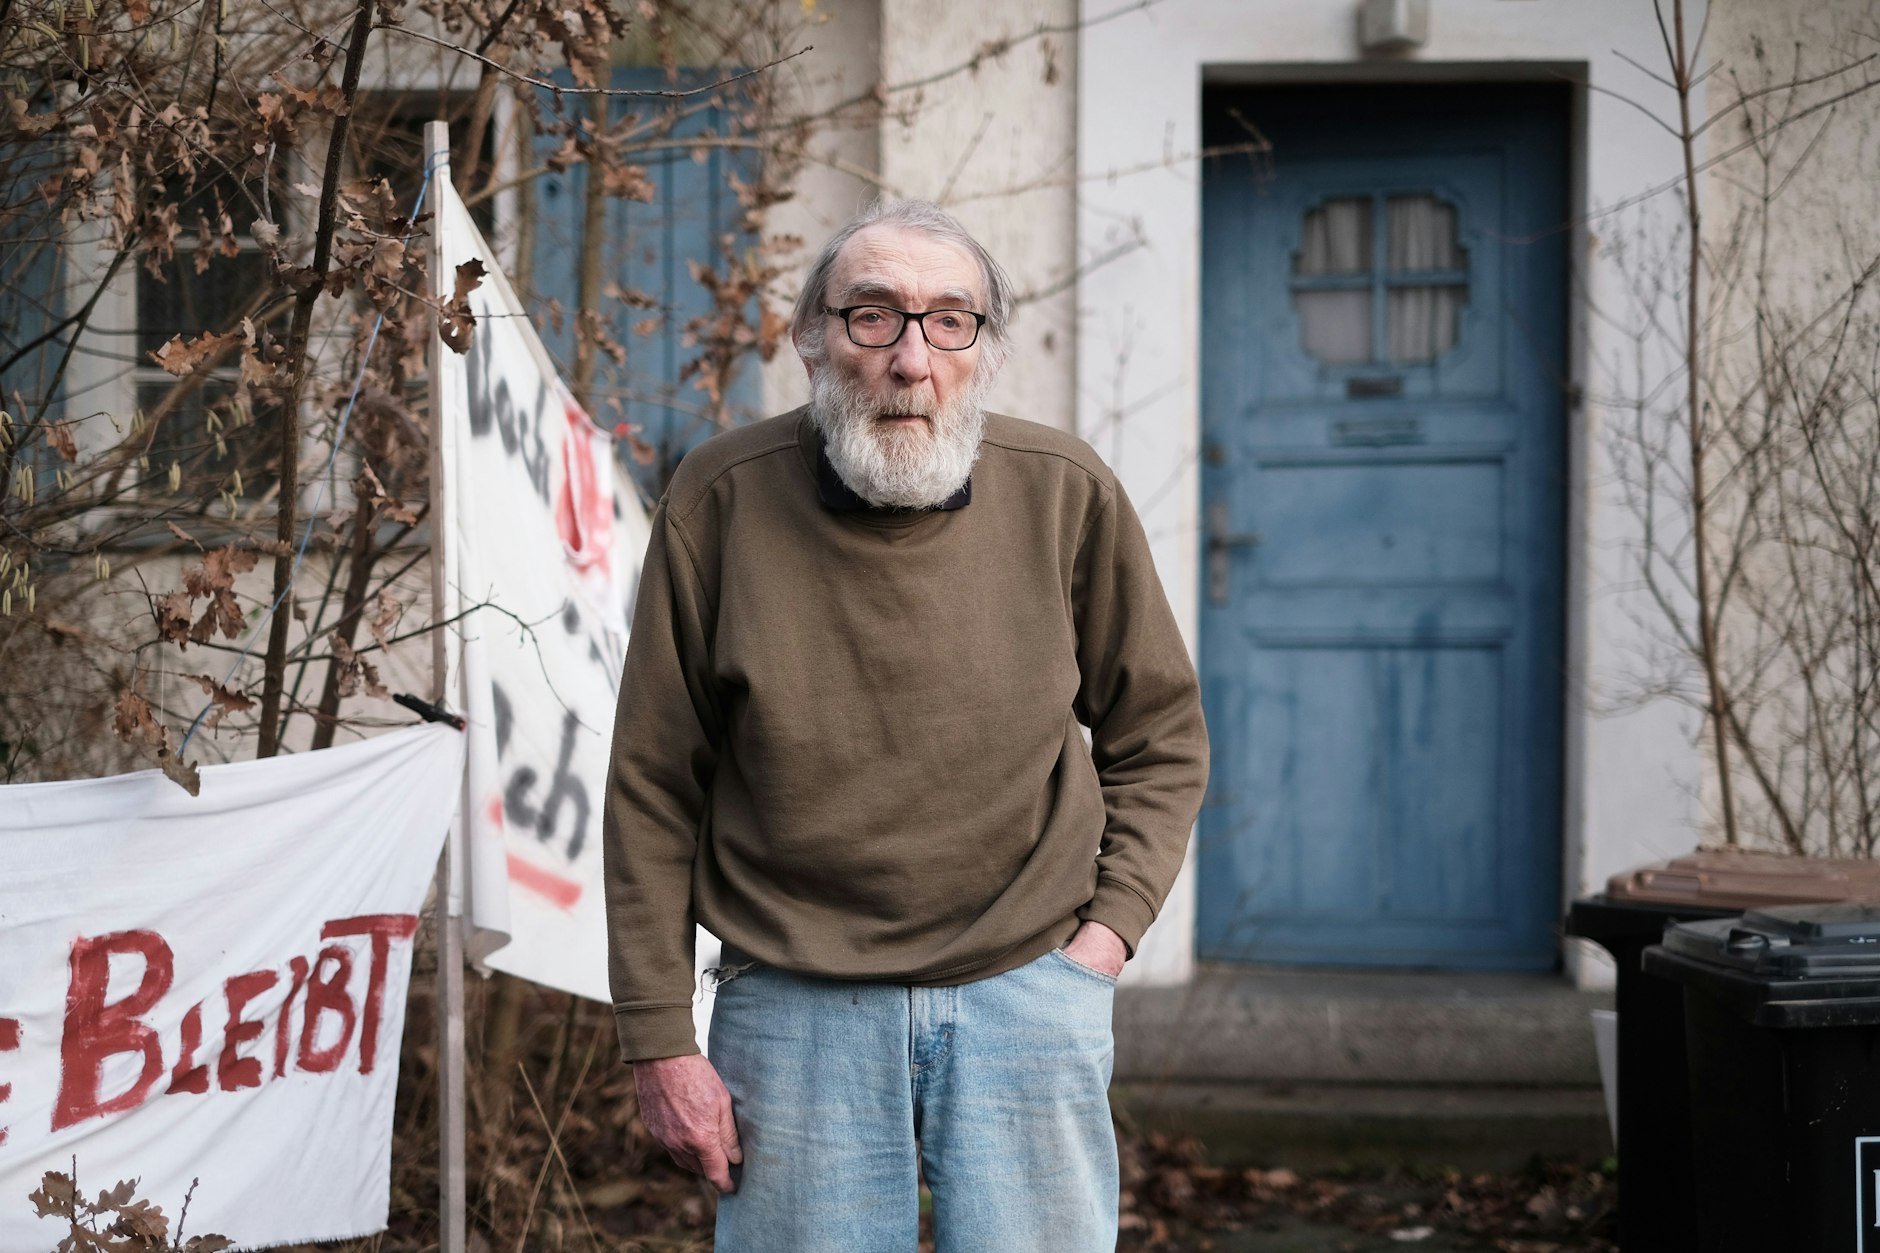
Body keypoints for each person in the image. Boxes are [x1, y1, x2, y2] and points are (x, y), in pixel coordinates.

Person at [602, 198, 1209, 1252]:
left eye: (946, 321)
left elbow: (1158, 732)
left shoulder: (1065, 493)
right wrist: (658, 1035)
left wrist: (1101, 938)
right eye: (871, 316)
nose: (909, 358)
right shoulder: (720, 499)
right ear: (810, 338)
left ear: (985, 349)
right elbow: (653, 784)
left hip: (1029, 988)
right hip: (792, 1006)